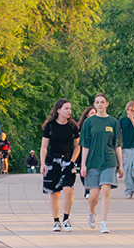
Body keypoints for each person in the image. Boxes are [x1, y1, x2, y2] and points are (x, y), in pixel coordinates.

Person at [78, 93, 122, 234]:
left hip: (109, 160)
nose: (100, 105)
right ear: (94, 104)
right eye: (97, 102)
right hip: (92, 161)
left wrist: (121, 165)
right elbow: (85, 145)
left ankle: (104, 222)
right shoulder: (89, 122)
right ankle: (91, 212)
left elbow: (118, 145)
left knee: (106, 191)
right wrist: (83, 164)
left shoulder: (113, 122)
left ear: (107, 104)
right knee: (94, 195)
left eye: (102, 102)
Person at [39, 98, 80, 232]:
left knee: (68, 189)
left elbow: (77, 146)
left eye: (70, 108)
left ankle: (66, 219)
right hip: (52, 161)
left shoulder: (73, 127)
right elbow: (44, 146)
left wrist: (72, 161)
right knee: (54, 193)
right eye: (66, 108)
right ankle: (56, 221)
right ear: (58, 110)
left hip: (68, 160)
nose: (69, 111)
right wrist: (43, 163)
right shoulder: (50, 126)